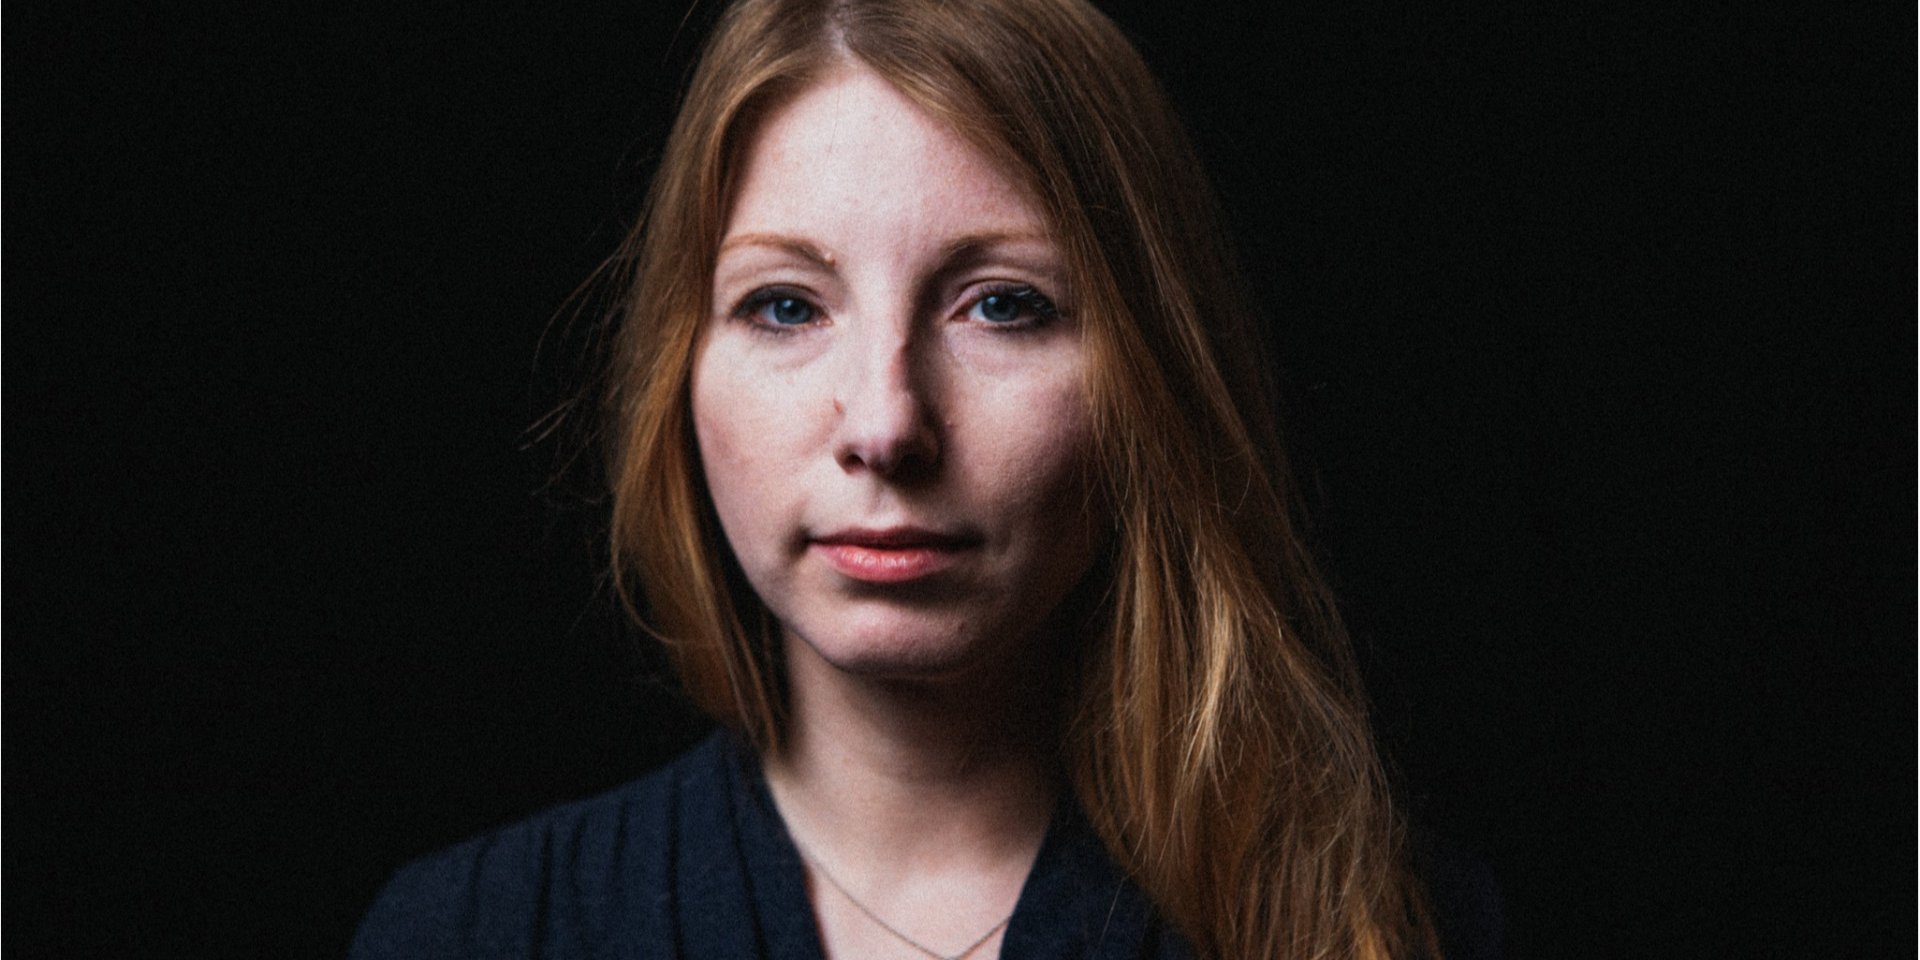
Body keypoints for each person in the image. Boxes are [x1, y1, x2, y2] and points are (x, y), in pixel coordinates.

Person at [353, 0, 1503, 957]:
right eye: (786, 306)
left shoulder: (1387, 927)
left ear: (1152, 378)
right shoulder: (470, 933)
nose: (886, 426)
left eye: (1002, 305)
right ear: (679, 367)